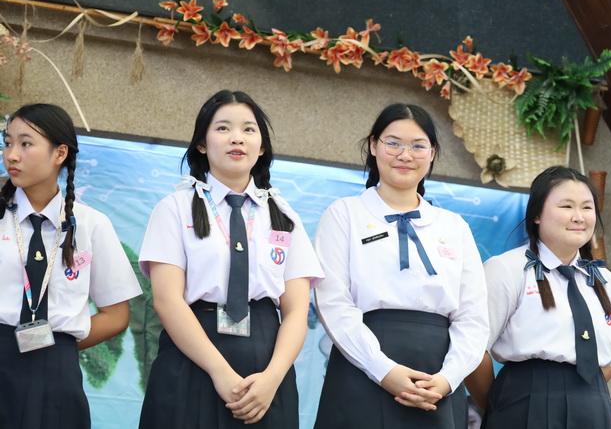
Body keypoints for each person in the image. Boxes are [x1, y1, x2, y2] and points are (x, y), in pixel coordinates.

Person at [138, 90, 323, 428]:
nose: (237, 138)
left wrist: (273, 378)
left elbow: (297, 310)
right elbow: (167, 301)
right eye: (223, 128)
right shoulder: (174, 208)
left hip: (267, 369)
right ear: (202, 144)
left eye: (249, 129)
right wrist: (219, 372)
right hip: (192, 357)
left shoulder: (284, 215)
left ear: (262, 147)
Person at [313, 103, 489, 429]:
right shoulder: (345, 214)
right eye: (393, 143)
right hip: (362, 366)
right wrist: (383, 370)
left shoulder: (454, 226)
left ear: (432, 153)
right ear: (373, 145)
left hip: (437, 376)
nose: (405, 155)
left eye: (418, 146)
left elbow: (473, 316)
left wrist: (448, 378)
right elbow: (333, 303)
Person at [0, 103, 142, 429]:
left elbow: (116, 315)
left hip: (56, 373)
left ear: (60, 153)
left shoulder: (92, 224)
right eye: (7, 143)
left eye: (25, 143)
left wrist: (58, 344)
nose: (12, 155)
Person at [467, 165, 611, 428]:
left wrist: (583, 397)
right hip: (524, 402)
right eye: (566, 206)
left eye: (587, 207)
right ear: (536, 215)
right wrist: (499, 406)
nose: (578, 217)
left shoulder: (607, 281)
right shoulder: (506, 268)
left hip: (595, 406)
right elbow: (473, 348)